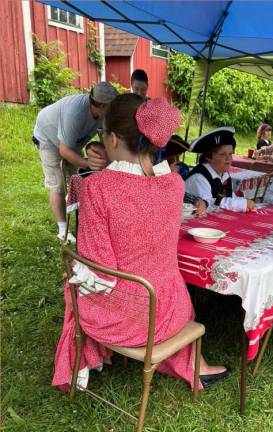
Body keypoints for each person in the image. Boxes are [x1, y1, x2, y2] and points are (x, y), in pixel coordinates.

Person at [52, 94, 228, 392]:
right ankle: (198, 366)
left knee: (75, 285)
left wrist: (73, 265)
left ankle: (80, 364)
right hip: (171, 309)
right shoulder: (174, 183)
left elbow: (101, 272)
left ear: (111, 138)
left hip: (127, 319)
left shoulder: (96, 187)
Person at [33, 82, 118, 242]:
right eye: (112, 106)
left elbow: (105, 138)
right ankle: (62, 229)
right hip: (48, 138)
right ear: (100, 105)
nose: (114, 110)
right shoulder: (75, 114)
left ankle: (83, 221)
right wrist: (88, 164)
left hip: (71, 142)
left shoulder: (103, 114)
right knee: (57, 183)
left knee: (78, 179)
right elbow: (64, 150)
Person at [185, 127, 255, 212]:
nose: (228, 159)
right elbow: (208, 205)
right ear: (208, 157)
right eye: (223, 154)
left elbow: (229, 197)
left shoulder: (223, 175)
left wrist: (243, 202)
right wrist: (239, 204)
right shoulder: (199, 178)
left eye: (230, 154)